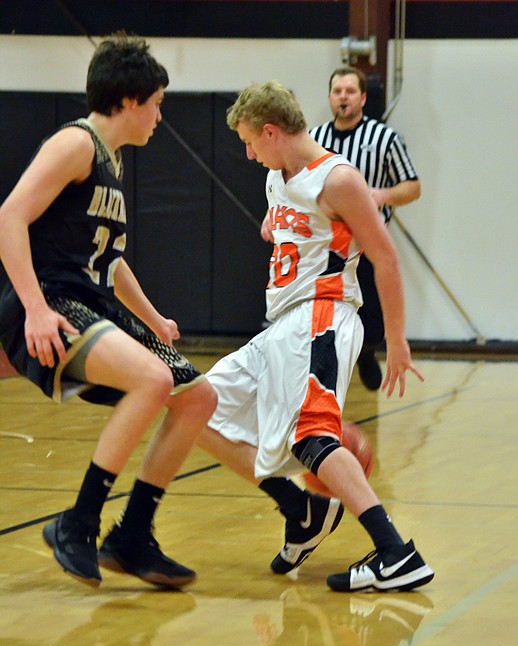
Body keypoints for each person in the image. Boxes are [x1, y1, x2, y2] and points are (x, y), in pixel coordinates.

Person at [197, 80, 434, 592]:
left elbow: (386, 258)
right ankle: (302, 510)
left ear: (271, 131)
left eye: (250, 142)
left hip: (323, 316)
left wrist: (396, 341)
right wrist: (277, 228)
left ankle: (397, 554)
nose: (248, 154)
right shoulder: (276, 176)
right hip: (281, 325)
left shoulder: (339, 179)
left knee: (311, 438)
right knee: (196, 406)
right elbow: (288, 223)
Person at [0, 33, 217, 588]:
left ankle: (132, 534)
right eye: (157, 103)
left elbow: (111, 262)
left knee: (198, 397)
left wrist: (151, 318)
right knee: (153, 379)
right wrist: (35, 310)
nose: (160, 116)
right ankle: (78, 523)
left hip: (91, 301)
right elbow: (9, 217)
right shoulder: (75, 144)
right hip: (50, 299)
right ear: (128, 100)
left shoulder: (111, 160)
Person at [263, 67, 421, 391]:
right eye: (337, 91)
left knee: (372, 322)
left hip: (365, 242)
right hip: (323, 245)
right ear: (329, 97)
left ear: (363, 98)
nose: (343, 97)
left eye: (350, 91)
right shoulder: (314, 138)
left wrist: (381, 195)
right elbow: (288, 182)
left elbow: (413, 186)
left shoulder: (384, 138)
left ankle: (367, 351)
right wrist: (273, 213)